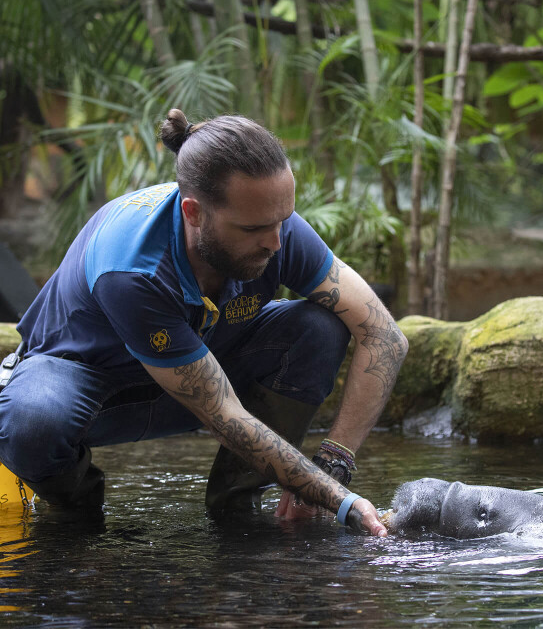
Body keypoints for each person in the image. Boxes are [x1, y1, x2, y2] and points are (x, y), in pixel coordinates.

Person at [0, 109, 408, 536]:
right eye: (254, 228)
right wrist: (341, 502)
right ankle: (76, 514)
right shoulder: (133, 269)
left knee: (318, 328)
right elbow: (223, 412)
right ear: (193, 213)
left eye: (282, 220)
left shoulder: (272, 225)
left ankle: (240, 510)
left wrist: (334, 464)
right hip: (91, 387)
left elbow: (384, 334)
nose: (275, 242)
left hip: (200, 368)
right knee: (31, 424)